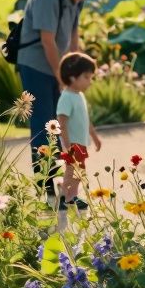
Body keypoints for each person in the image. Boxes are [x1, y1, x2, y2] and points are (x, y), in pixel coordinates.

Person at [14, 0, 104, 192]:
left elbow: (73, 37)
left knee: (64, 122)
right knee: (45, 122)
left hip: (58, 68)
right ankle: (45, 184)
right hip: (36, 66)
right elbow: (47, 41)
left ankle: (66, 184)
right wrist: (62, 77)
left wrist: (77, 68)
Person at [56, 52, 102, 209]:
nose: (90, 81)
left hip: (80, 143)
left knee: (79, 172)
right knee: (71, 172)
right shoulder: (67, 97)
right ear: (73, 77)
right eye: (87, 77)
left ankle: (72, 197)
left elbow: (86, 120)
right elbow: (61, 121)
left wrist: (95, 137)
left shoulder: (79, 95)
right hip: (72, 144)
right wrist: (67, 145)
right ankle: (63, 198)